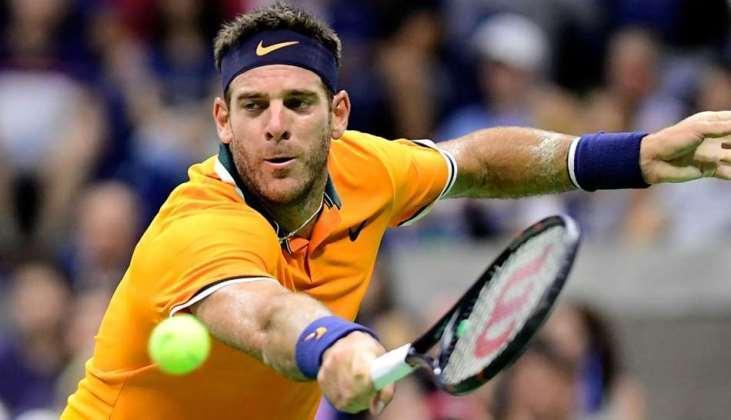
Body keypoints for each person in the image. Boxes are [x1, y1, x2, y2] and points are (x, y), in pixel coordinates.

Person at [61, 3, 731, 419]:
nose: (276, 124)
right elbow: (262, 315)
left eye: (298, 103)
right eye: (253, 106)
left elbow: (477, 162)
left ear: (338, 115)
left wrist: (637, 155)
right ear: (223, 121)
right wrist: (335, 343)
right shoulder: (197, 227)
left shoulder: (365, 169)